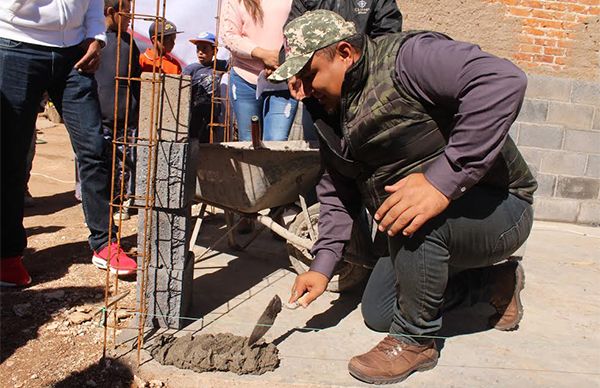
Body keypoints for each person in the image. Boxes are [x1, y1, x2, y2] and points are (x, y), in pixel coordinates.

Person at [270, 10, 537, 384]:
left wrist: (440, 182)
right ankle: (495, 284)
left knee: (417, 218)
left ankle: (417, 342)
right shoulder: (331, 111)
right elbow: (337, 188)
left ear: (345, 53)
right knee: (379, 311)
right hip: (430, 221)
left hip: (500, 207)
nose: (305, 87)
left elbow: (502, 81)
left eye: (309, 73)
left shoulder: (407, 59)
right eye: (296, 78)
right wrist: (322, 264)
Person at [0, 0, 138, 287]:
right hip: (16, 43)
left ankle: (104, 243)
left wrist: (96, 38)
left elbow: (93, 3)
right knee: (11, 153)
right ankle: (7, 254)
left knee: (95, 147)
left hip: (74, 52)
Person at [220, 0, 298, 142]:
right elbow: (228, 36)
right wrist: (263, 55)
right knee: (249, 141)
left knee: (277, 141)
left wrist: (280, 59)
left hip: (283, 78)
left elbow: (302, 28)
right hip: (244, 80)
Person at [96, 0, 141, 221]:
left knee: (127, 162)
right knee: (103, 162)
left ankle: (124, 201)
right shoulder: (96, 41)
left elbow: (136, 80)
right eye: (127, 12)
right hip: (100, 115)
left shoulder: (129, 43)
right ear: (111, 12)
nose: (130, 17)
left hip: (126, 118)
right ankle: (104, 205)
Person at [183, 32, 228, 142]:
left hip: (213, 113)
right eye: (198, 49)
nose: (200, 52)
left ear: (215, 51)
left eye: (205, 49)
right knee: (194, 137)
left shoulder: (221, 65)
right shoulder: (191, 70)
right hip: (196, 111)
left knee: (210, 139)